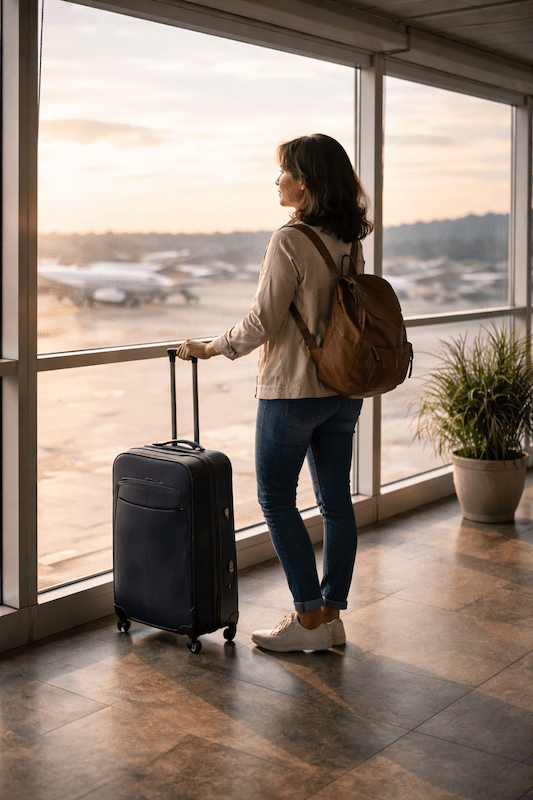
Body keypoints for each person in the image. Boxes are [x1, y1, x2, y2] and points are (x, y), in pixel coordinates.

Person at [177, 133, 373, 652]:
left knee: (275, 498)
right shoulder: (349, 239)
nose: (277, 179)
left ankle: (307, 621)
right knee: (335, 501)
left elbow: (263, 320)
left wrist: (211, 348)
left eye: (284, 171)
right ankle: (331, 615)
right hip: (343, 389)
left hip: (292, 391)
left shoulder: (289, 240)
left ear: (305, 184)